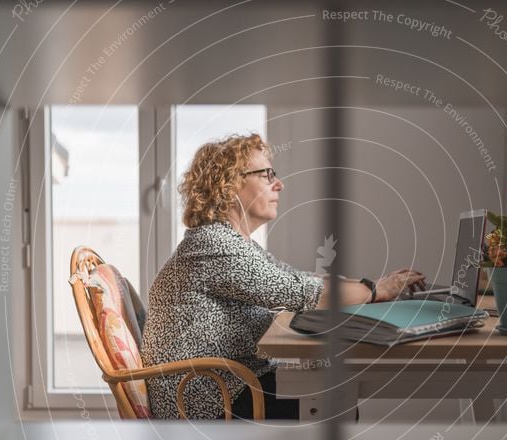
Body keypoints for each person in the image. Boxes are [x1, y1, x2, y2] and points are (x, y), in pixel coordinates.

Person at [141, 134, 426, 420]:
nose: (279, 184)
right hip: (210, 402)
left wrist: (376, 286)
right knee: (336, 402)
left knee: (334, 389)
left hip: (227, 386)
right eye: (266, 175)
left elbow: (298, 278)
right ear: (228, 185)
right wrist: (376, 290)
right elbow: (301, 292)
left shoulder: (232, 243)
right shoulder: (215, 244)